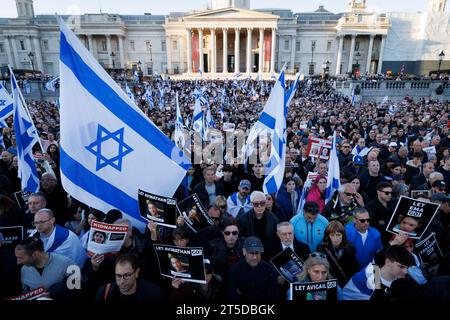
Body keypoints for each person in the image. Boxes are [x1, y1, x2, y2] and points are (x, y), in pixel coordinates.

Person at [343, 245, 414, 300]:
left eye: (407, 267)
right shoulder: (374, 278)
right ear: (388, 262)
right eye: (401, 267)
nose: (405, 271)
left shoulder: (380, 267)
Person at [227, 236, 279, 301]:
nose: (255, 257)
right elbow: (232, 295)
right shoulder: (234, 270)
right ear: (244, 252)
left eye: (257, 253)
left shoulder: (270, 271)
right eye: (251, 253)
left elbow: (273, 297)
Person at [95, 253, 163, 301]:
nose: (122, 281)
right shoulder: (104, 291)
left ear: (137, 272)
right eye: (118, 276)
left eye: (127, 275)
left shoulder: (153, 293)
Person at [237, 191, 279, 259]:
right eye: (256, 204)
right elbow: (241, 239)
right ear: (251, 204)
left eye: (262, 203)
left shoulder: (273, 218)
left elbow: (276, 239)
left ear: (265, 203)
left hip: (269, 255)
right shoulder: (243, 219)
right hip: (251, 254)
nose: (259, 206)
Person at [316, 221, 359, 287]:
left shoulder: (350, 247)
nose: (335, 238)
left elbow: (354, 268)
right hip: (329, 284)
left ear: (343, 235)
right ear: (328, 236)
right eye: (332, 235)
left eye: (338, 235)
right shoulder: (321, 248)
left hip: (346, 284)